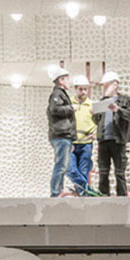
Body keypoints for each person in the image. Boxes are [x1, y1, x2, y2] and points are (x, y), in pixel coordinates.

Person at [95, 71, 130, 197]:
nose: (105, 88)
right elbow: (97, 120)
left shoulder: (126, 100)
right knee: (103, 172)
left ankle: (122, 199)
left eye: (107, 85)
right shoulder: (102, 101)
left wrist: (117, 109)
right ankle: (103, 198)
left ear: (115, 84)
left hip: (118, 141)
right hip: (103, 141)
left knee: (120, 173)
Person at [65, 75, 100, 196]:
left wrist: (96, 133)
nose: (84, 92)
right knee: (69, 169)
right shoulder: (68, 103)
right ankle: (87, 190)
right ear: (75, 88)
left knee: (84, 172)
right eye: (81, 89)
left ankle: (84, 199)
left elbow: (99, 123)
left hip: (86, 144)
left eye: (86, 89)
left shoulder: (92, 105)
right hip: (71, 144)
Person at [46, 67, 75, 196]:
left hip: (64, 136)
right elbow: (55, 110)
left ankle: (59, 190)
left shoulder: (60, 94)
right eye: (67, 79)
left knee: (62, 166)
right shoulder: (57, 94)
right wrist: (71, 108)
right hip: (61, 135)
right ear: (61, 80)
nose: (70, 82)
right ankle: (55, 193)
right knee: (61, 166)